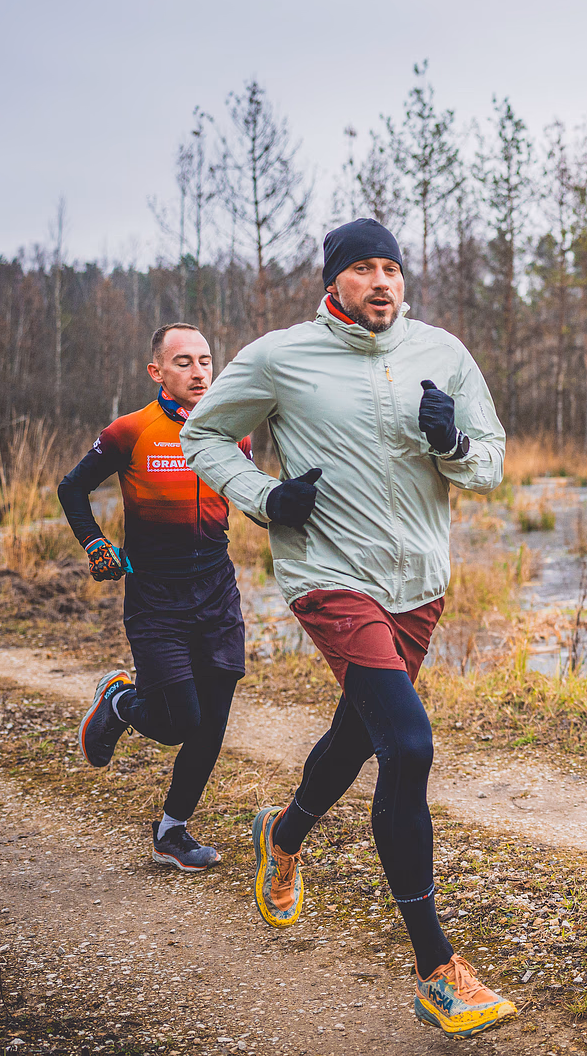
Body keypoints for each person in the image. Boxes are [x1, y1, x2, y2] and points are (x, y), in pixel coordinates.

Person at [181, 219, 516, 1038]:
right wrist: (264, 497)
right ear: (334, 282)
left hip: (418, 586)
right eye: (363, 268)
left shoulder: (442, 353)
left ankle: (284, 832)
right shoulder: (281, 357)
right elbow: (203, 435)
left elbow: (492, 463)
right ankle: (438, 969)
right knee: (408, 743)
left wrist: (453, 442)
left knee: (360, 734)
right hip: (329, 576)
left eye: (391, 267)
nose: (382, 281)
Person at [64, 323, 252, 872]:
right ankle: (120, 703)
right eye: (183, 362)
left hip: (216, 593)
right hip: (155, 598)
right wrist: (95, 542)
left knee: (213, 720)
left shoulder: (232, 431)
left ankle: (172, 832)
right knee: (178, 723)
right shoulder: (130, 430)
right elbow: (72, 488)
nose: (198, 371)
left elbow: (251, 493)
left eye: (205, 360)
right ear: (157, 372)